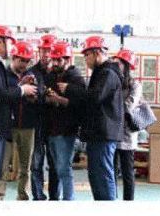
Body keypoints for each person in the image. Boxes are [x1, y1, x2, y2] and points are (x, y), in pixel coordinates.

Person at [59, 36, 123, 200]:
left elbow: (95, 97)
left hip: (104, 134)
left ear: (96, 53)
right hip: (98, 133)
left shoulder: (108, 73)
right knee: (96, 177)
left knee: (103, 175)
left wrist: (70, 89)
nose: (85, 59)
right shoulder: (101, 73)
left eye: (87, 55)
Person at [0, 25, 37, 201]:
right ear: (2, 42)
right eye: (10, 43)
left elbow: (0, 91)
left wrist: (21, 87)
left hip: (12, 126)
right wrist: (21, 90)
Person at [44, 41, 85, 201]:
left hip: (66, 131)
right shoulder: (51, 76)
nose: (55, 63)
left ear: (68, 59)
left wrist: (59, 99)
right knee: (56, 169)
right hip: (51, 130)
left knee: (63, 168)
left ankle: (69, 201)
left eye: (59, 60)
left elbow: (81, 105)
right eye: (54, 59)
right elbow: (46, 96)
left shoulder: (76, 78)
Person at [8, 40, 40, 200]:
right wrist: (20, 88)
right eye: (21, 60)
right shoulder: (5, 75)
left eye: (27, 61)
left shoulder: (32, 76)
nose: (24, 64)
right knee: (2, 166)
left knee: (25, 167)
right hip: (8, 127)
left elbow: (37, 98)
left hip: (28, 127)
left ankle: (23, 196)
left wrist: (34, 95)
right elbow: (2, 96)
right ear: (13, 57)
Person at [29, 34, 59, 201]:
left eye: (49, 51)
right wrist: (46, 96)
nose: (46, 54)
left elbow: (61, 96)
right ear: (39, 51)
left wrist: (44, 96)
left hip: (56, 125)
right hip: (38, 123)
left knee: (55, 164)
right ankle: (38, 197)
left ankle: (55, 197)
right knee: (36, 164)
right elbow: (31, 94)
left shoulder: (59, 73)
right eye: (43, 50)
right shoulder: (32, 72)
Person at [113, 48, 142, 200]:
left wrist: (112, 108)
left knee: (127, 173)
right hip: (112, 134)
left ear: (126, 65)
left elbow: (128, 106)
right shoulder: (114, 82)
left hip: (127, 136)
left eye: (119, 63)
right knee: (111, 172)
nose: (116, 66)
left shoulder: (135, 85)